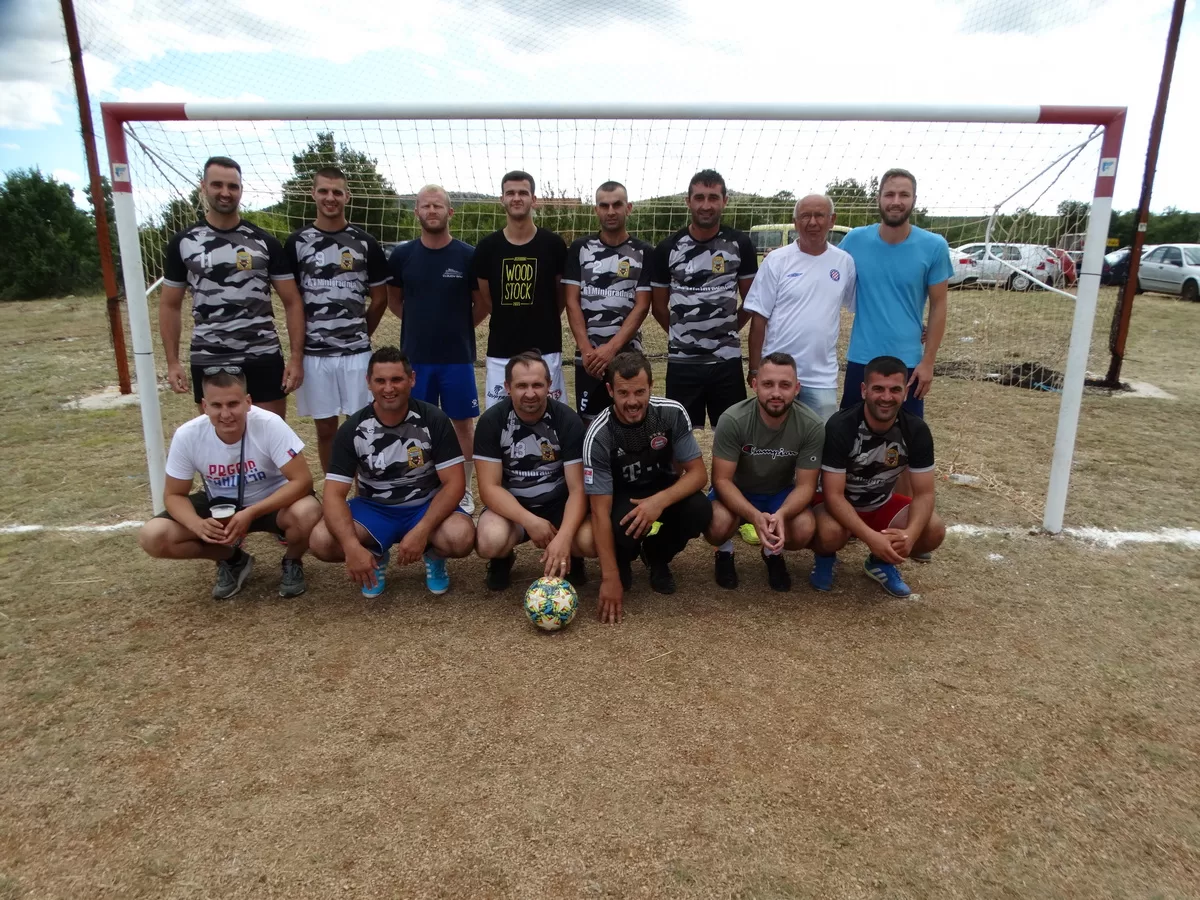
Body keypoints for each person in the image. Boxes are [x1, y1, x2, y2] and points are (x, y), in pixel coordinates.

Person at [137, 367, 321, 600]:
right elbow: (173, 495)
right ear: (205, 406)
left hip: (271, 501)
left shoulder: (270, 424)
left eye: (233, 404)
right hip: (220, 505)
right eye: (217, 406)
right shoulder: (187, 435)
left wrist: (252, 512)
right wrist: (196, 524)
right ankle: (232, 559)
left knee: (308, 511)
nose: (226, 414)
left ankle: (292, 560)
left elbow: (302, 481)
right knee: (153, 536)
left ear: (248, 402)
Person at [308, 347, 475, 597]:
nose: (389, 388)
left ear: (412, 379)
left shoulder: (433, 419)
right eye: (380, 381)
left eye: (396, 379)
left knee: (461, 536)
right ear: (368, 382)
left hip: (424, 506)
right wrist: (351, 546)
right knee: (321, 540)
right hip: (374, 509)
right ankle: (374, 555)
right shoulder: (353, 428)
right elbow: (333, 494)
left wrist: (422, 531)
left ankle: (434, 554)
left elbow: (455, 484)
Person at [160, 156, 306, 417]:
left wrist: (296, 359)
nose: (225, 193)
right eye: (217, 185)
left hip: (261, 355)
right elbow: (170, 305)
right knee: (219, 436)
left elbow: (292, 302)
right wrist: (172, 362)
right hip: (209, 355)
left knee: (268, 436)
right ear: (203, 187)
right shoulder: (184, 243)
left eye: (232, 186)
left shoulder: (265, 242)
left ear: (241, 189)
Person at [583, 351, 712, 624]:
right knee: (620, 527)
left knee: (700, 509)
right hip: (622, 497)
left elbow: (699, 475)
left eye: (640, 392)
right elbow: (598, 512)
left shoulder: (671, 413)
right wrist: (609, 577)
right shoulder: (599, 434)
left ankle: (657, 555)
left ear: (651, 387)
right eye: (623, 393)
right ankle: (623, 558)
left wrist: (658, 502)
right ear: (610, 391)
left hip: (663, 490)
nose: (632, 402)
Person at [811, 355, 946, 598]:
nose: (886, 397)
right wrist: (871, 538)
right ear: (864, 390)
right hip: (837, 506)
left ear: (906, 392)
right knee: (830, 534)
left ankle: (880, 562)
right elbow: (833, 496)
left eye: (895, 390)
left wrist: (909, 536)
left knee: (933, 530)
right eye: (878, 389)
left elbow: (925, 494)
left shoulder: (916, 430)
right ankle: (825, 557)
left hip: (880, 503)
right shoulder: (841, 426)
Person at [285, 166, 390, 472]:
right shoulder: (297, 242)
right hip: (315, 355)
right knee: (325, 429)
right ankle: (334, 490)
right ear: (313, 194)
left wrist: (361, 332)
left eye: (337, 192)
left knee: (362, 427)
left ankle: (363, 490)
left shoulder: (365, 242)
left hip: (355, 353)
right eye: (323, 191)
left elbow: (380, 299)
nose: (330, 198)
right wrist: (296, 354)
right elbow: (292, 301)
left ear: (347, 196)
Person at [388, 184, 484, 513]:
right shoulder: (402, 256)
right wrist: (421, 325)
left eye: (438, 206)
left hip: (457, 358)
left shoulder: (467, 255)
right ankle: (423, 485)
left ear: (449, 212)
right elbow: (395, 301)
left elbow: (482, 304)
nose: (432, 211)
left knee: (462, 425)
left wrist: (457, 328)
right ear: (416, 211)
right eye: (426, 206)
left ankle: (464, 489)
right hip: (416, 358)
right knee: (417, 424)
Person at [473, 351, 593, 590]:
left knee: (591, 541)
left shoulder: (567, 420)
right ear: (508, 387)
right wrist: (529, 520)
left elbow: (578, 489)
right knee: (489, 540)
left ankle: (571, 555)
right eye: (521, 386)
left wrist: (564, 537)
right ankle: (502, 558)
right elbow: (489, 488)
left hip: (559, 506)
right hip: (513, 508)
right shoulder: (492, 421)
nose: (530, 393)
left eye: (537, 385)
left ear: (549, 385)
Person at [705, 353, 824, 592]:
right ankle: (724, 551)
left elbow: (806, 485)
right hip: (737, 492)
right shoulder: (733, 419)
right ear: (755, 384)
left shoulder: (811, 425)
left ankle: (772, 552)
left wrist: (782, 514)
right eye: (768, 384)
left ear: (797, 388)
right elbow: (721, 480)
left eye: (785, 385)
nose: (776, 393)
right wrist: (753, 515)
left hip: (778, 493)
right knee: (716, 524)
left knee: (803, 529)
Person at [838, 168, 951, 420]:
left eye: (904, 195)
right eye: (889, 194)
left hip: (908, 362)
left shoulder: (934, 246)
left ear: (914, 200)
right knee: (850, 432)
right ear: (878, 198)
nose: (896, 201)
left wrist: (928, 362)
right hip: (862, 358)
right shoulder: (855, 240)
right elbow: (825, 269)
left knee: (907, 436)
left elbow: (939, 305)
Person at [651, 169, 757, 429]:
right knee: (680, 435)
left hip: (726, 362)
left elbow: (751, 302)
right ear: (688, 201)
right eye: (699, 197)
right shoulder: (668, 248)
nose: (706, 205)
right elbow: (658, 308)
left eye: (713, 197)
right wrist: (683, 335)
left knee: (732, 433)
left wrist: (727, 331)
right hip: (683, 363)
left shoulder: (740, 244)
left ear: (725, 201)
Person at [745, 194, 856, 423]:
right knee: (775, 437)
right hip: (778, 373)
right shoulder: (776, 260)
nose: (812, 222)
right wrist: (755, 369)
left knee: (820, 438)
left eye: (819, 215)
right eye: (805, 216)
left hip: (821, 377)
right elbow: (759, 319)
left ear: (832, 220)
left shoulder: (844, 262)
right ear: (795, 222)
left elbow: (859, 306)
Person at [472, 170, 569, 408]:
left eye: (523, 193)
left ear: (533, 199)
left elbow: (561, 296)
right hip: (501, 349)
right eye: (510, 193)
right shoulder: (487, 248)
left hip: (546, 347)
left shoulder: (554, 245)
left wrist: (542, 315)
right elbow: (487, 298)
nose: (517, 198)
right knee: (499, 418)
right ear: (502, 199)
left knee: (550, 416)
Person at [564, 181, 653, 422]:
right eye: (604, 205)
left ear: (628, 208)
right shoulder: (580, 248)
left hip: (628, 356)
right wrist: (587, 351)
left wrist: (611, 349)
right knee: (590, 423)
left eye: (617, 205)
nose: (611, 211)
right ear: (596, 210)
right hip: (589, 359)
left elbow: (642, 305)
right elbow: (572, 302)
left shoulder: (644, 252)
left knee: (632, 419)